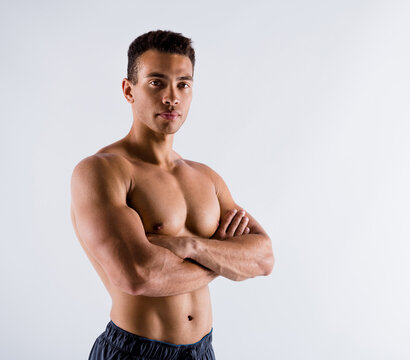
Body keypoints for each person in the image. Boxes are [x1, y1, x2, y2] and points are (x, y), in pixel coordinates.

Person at [70, 30, 274, 360]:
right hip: (134, 351)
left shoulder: (205, 177)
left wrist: (191, 246)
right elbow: (137, 276)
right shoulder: (103, 171)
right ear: (128, 90)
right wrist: (223, 259)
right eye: (156, 82)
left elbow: (263, 258)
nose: (172, 97)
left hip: (202, 350)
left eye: (183, 84)